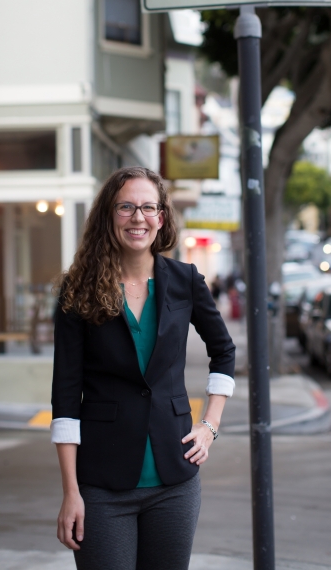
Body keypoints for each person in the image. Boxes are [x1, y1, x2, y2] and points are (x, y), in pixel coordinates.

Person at [51, 166, 235, 570]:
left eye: (149, 207)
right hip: (101, 485)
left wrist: (210, 425)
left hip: (175, 482)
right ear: (108, 216)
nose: (139, 217)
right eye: (126, 207)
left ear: (162, 218)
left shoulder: (185, 281)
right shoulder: (78, 289)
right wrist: (71, 492)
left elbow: (223, 351)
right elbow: (65, 397)